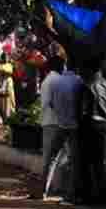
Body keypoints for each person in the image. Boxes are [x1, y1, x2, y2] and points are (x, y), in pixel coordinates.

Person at [36, 55, 84, 201]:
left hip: (55, 122)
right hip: (60, 123)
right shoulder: (64, 80)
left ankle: (46, 190)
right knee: (68, 158)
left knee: (51, 159)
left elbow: (51, 103)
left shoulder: (51, 80)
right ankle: (67, 191)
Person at [79, 57, 106, 204]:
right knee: (101, 162)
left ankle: (87, 196)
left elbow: (84, 110)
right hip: (104, 125)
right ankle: (103, 196)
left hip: (89, 125)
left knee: (86, 161)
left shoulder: (88, 86)